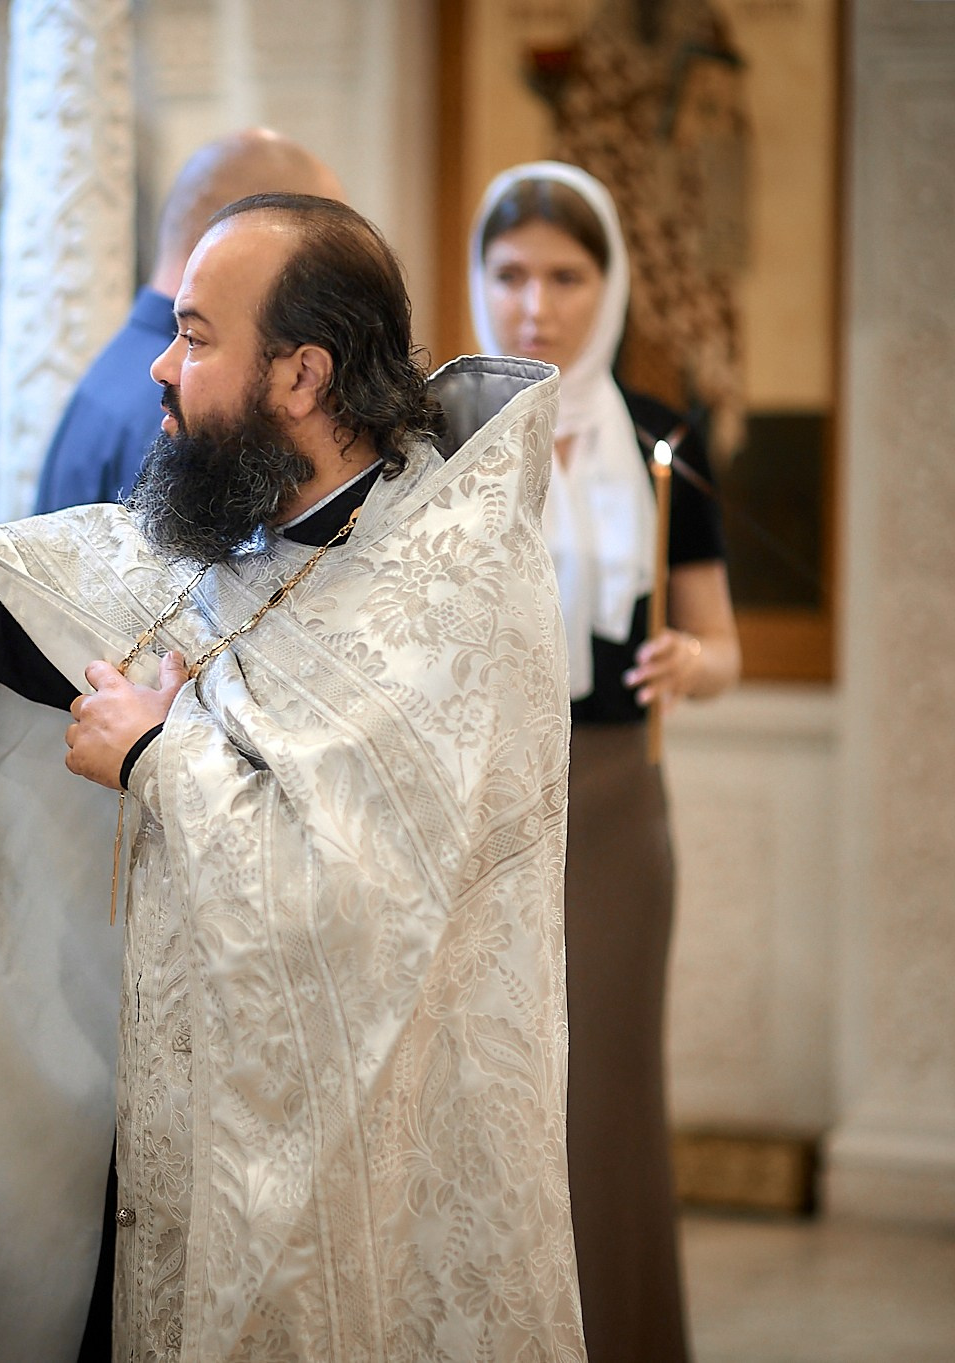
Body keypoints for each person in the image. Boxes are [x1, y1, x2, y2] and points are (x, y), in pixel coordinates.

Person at [0, 194, 585, 1362]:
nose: (158, 366)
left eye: (193, 335)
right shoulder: (238, 537)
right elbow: (1, 595)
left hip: (368, 1146)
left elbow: (365, 895)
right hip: (184, 1120)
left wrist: (155, 753)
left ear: (299, 374)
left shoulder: (446, 588)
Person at [471, 160, 739, 1363]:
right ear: (479, 282)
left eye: (565, 276)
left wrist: (692, 658)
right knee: (483, 1090)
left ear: (607, 283)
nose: (536, 304)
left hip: (616, 797)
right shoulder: (450, 434)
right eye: (511, 273)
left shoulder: (659, 437)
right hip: (476, 798)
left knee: (606, 1094)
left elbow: (721, 642)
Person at [31, 128, 344, 513]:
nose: (164, 367)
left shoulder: (121, 364)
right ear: (245, 233)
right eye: (321, 241)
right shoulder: (194, 405)